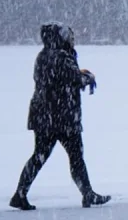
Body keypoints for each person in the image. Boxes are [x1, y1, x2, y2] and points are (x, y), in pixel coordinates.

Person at [10, 22, 111, 210]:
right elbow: (74, 80)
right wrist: (88, 77)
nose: (72, 40)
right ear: (61, 38)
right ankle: (87, 193)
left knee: (39, 156)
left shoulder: (43, 55)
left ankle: (20, 193)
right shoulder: (62, 57)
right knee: (75, 156)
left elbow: (57, 79)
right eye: (69, 36)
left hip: (43, 115)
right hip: (62, 117)